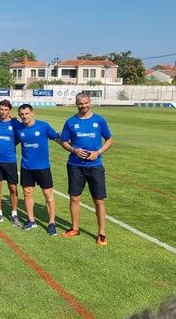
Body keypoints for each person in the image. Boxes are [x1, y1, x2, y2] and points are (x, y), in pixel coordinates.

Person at [59, 92, 113, 246]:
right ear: (76, 103)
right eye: (80, 103)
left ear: (90, 102)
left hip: (95, 167)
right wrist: (74, 150)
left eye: (85, 103)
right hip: (75, 166)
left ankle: (101, 232)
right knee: (74, 198)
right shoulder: (71, 122)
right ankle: (75, 228)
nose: (83, 106)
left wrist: (99, 152)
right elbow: (64, 141)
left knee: (99, 200)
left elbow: (109, 139)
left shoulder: (99, 121)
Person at [15, 104, 59, 235]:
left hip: (43, 167)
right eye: (22, 114)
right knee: (27, 193)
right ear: (19, 115)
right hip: (26, 167)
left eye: (27, 113)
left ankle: (51, 222)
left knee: (48, 195)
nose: (24, 116)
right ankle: (31, 220)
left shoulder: (43, 126)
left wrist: (73, 148)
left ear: (32, 113)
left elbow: (56, 137)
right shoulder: (19, 129)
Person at [0, 99, 22, 226]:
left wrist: (10, 146)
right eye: (1, 109)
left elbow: (20, 138)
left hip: (10, 159)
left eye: (6, 110)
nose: (3, 112)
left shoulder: (15, 124)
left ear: (10, 111)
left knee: (13, 187)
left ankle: (14, 214)